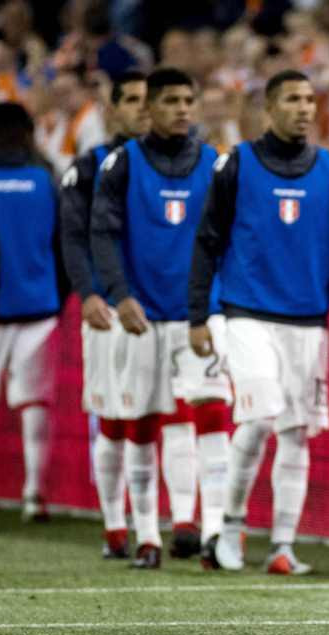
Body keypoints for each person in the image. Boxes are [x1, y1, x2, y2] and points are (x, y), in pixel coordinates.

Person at [187, 69, 329, 576]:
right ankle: (229, 525)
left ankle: (283, 545)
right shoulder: (236, 163)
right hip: (246, 315)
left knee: (295, 432)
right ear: (270, 108)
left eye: (310, 99)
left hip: (308, 322)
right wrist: (200, 313)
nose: (305, 108)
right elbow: (207, 241)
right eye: (293, 99)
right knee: (261, 417)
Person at [90, 67, 231, 569]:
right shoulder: (121, 164)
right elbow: (100, 234)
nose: (183, 109)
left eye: (188, 100)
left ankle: (215, 532)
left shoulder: (214, 162)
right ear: (149, 109)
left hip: (201, 313)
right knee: (141, 423)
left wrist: (219, 301)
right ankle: (148, 536)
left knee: (213, 412)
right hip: (141, 315)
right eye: (170, 101)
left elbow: (228, 237)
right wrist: (119, 294)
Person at [60, 69, 149, 559]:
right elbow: (73, 234)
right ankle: (115, 524)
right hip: (108, 310)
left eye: (145, 99)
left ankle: (157, 523)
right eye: (131, 99)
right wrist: (88, 293)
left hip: (161, 312)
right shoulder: (90, 164)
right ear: (112, 108)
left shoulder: (170, 164)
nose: (141, 107)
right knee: (113, 417)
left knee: (155, 423)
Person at [0, 101, 63, 523]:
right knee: (35, 405)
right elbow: (64, 242)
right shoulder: (46, 178)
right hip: (39, 306)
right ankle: (34, 493)